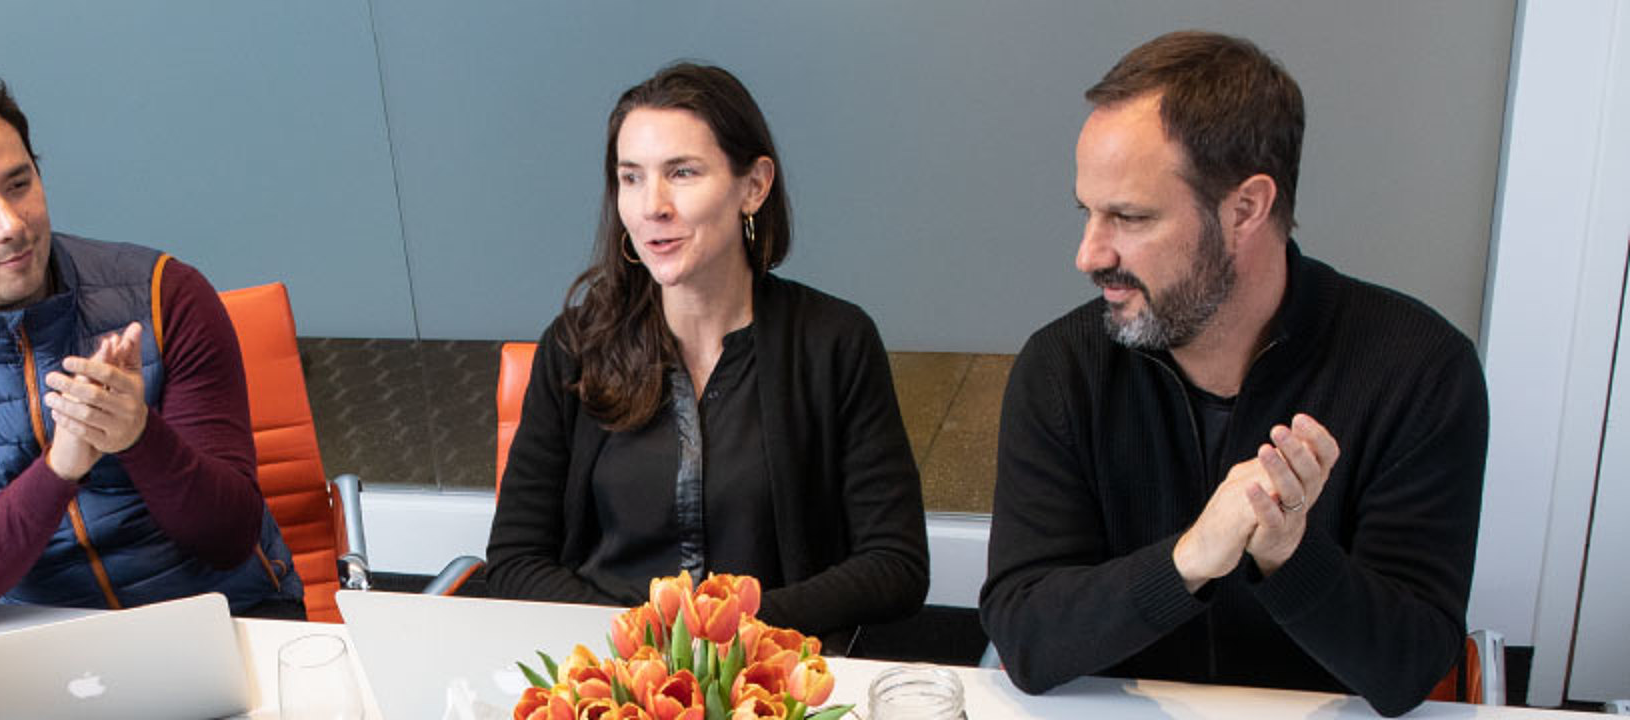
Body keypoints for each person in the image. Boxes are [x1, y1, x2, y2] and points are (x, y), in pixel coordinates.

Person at [978, 31, 1488, 716]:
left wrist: (1288, 555)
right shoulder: (1063, 368)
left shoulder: (1417, 370)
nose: (1088, 254)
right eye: (1087, 212)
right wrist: (1188, 559)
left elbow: (1408, 667)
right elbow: (1027, 636)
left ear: (1246, 208)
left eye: (1129, 217)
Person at [0, 72, 303, 627]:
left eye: (19, 184)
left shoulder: (165, 294)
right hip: (29, 639)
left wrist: (138, 436)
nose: (10, 224)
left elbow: (229, 539)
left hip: (215, 614)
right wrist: (62, 465)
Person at [485, 62, 929, 639]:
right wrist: (644, 645)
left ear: (754, 186)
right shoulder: (575, 347)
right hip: (610, 673)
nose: (652, 206)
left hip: (770, 674)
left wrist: (725, 635)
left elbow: (895, 566)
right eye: (631, 177)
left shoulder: (834, 342)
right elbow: (516, 562)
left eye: (683, 173)